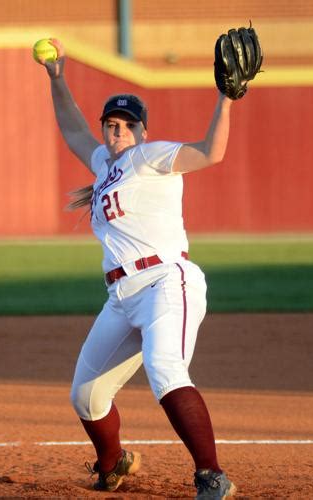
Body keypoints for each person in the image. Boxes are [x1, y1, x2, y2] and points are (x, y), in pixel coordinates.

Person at [38, 38, 237, 499]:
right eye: (111, 124)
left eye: (127, 124)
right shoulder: (104, 164)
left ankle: (212, 476)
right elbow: (71, 129)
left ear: (143, 131)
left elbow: (211, 153)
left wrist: (226, 99)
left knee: (165, 369)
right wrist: (57, 79)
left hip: (167, 281)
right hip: (122, 296)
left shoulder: (149, 158)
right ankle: (113, 464)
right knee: (86, 395)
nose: (117, 131)